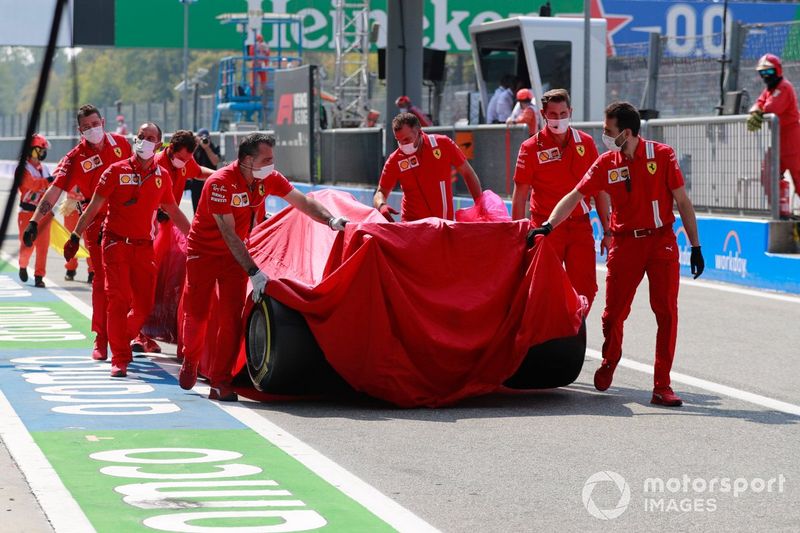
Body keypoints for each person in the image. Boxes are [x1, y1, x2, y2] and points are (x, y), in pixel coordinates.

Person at [528, 102, 705, 407]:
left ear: (625, 132)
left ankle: (662, 384)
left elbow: (683, 202)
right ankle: (610, 359)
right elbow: (574, 196)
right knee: (613, 314)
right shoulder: (605, 163)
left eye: (608, 131)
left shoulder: (662, 156)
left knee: (666, 313)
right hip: (624, 244)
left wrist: (696, 246)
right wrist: (547, 225)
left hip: (661, 240)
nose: (604, 136)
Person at [178, 132, 349, 401]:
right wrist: (254, 272)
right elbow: (229, 234)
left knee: (232, 319)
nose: (272, 164)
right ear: (247, 160)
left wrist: (330, 220)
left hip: (234, 259)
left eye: (273, 158)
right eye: (266, 159)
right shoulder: (219, 183)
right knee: (198, 315)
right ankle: (190, 358)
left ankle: (221, 382)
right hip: (204, 254)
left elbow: (301, 201)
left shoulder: (268, 177)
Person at [64, 123, 191, 377]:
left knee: (143, 306)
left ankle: (118, 338)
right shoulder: (114, 171)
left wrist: (195, 239)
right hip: (114, 244)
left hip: (144, 248)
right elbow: (92, 207)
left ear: (159, 145)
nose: (144, 141)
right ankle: (120, 358)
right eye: (141, 136)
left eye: (150, 138)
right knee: (118, 300)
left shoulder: (161, 176)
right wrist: (76, 235)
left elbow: (174, 211)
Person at [22, 104, 132, 361]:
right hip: (95, 224)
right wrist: (35, 222)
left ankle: (127, 333)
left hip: (129, 222)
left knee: (129, 285)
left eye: (95, 124)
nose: (92, 130)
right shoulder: (74, 158)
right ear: (79, 130)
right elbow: (54, 191)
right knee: (103, 284)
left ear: (103, 122)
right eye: (86, 127)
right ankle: (102, 339)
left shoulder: (123, 145)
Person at [511, 89, 608, 311]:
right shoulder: (530, 148)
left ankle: (574, 336)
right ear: (544, 114)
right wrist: (516, 235)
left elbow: (600, 191)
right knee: (542, 290)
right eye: (553, 114)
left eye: (563, 113)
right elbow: (520, 197)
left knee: (586, 289)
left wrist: (608, 231)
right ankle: (546, 340)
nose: (558, 118)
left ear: (570, 112)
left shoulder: (586, 142)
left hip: (581, 227)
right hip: (545, 230)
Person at [131, 129, 216, 355]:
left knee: (165, 282)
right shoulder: (156, 164)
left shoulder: (183, 162)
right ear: (169, 149)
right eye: (182, 158)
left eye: (188, 159)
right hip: (152, 228)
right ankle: (137, 335)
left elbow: (197, 173)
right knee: (148, 281)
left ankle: (148, 332)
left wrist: (219, 174)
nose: (185, 163)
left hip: (168, 228)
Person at [373, 113, 483, 222]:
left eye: (406, 139)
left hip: (444, 224)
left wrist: (480, 206)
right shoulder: (395, 160)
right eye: (399, 140)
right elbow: (380, 192)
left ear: (419, 131)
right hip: (413, 227)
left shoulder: (443, 143)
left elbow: (468, 173)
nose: (403, 144)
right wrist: (382, 206)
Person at [747, 53, 800, 200]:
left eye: (769, 71)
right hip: (778, 141)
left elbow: (771, 107)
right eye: (762, 72)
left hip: (792, 140)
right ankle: (777, 209)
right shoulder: (770, 89)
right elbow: (759, 103)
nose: (766, 75)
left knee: (798, 177)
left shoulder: (784, 87)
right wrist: (757, 109)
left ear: (777, 70)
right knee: (768, 174)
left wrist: (759, 110)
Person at [17, 133, 53, 288]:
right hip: (27, 213)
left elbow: (51, 189)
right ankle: (23, 265)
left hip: (43, 213)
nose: (43, 153)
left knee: (43, 247)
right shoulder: (23, 168)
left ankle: (39, 276)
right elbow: (31, 185)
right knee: (27, 245)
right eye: (40, 149)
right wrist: (48, 182)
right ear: (32, 150)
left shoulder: (44, 169)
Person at [61, 186, 92, 282]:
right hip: (72, 205)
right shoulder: (69, 170)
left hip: (89, 205)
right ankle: (70, 268)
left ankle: (92, 271)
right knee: (71, 238)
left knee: (90, 241)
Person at [192, 128, 221, 212]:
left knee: (211, 208)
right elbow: (188, 158)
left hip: (211, 182)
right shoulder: (195, 148)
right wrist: (196, 144)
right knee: (197, 208)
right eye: (201, 137)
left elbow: (215, 161)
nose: (203, 140)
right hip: (196, 182)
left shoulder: (213, 146)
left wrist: (207, 148)